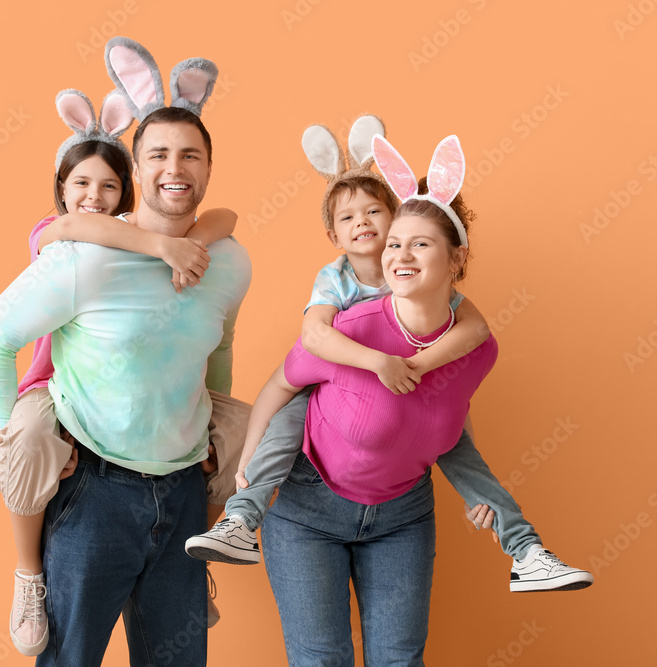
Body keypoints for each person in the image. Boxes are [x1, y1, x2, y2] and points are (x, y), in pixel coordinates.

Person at [187, 122, 593, 596]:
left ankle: (525, 550)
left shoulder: (424, 282)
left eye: (376, 212)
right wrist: (378, 362)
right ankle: (242, 515)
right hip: (327, 387)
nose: (363, 224)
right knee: (290, 417)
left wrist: (420, 366)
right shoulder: (337, 280)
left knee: (459, 443)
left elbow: (475, 331)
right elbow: (313, 337)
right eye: (347, 218)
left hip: (413, 432)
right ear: (332, 234)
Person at [0, 37, 251, 666]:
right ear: (137, 167)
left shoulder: (229, 261)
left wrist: (212, 415)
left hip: (183, 494)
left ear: (208, 167)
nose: (174, 167)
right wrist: (4, 433)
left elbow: (222, 340)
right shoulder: (83, 256)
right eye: (157, 154)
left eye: (190, 154)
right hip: (92, 489)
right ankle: (28, 576)